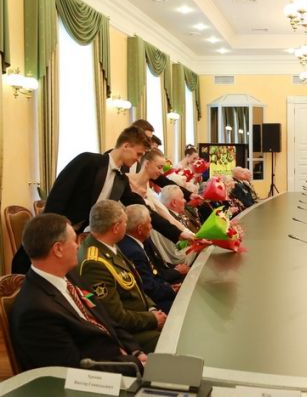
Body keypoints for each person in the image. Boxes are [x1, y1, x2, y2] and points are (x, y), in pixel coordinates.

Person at [12, 127, 191, 275]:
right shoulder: (87, 161)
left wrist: (179, 234)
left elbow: (144, 210)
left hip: (78, 240)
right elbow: (57, 197)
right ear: (126, 146)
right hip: (51, 234)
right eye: (138, 154)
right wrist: (54, 234)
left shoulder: (121, 180)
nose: (138, 159)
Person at [10, 214, 146, 373]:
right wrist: (134, 364)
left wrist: (136, 351)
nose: (78, 246)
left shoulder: (70, 275)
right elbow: (73, 370)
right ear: (58, 249)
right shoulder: (35, 311)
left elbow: (105, 318)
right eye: (74, 241)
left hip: (123, 360)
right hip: (103, 379)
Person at [78, 200, 166, 353]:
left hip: (141, 318)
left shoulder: (109, 244)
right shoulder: (95, 263)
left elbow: (136, 285)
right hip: (127, 335)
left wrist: (152, 309)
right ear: (116, 227)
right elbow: (114, 317)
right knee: (171, 341)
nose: (127, 226)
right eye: (125, 222)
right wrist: (152, 319)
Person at [118, 205, 177, 314]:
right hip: (150, 305)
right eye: (149, 223)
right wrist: (171, 290)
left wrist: (168, 287)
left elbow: (153, 275)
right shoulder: (134, 252)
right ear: (140, 229)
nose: (151, 226)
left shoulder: (134, 242)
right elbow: (148, 288)